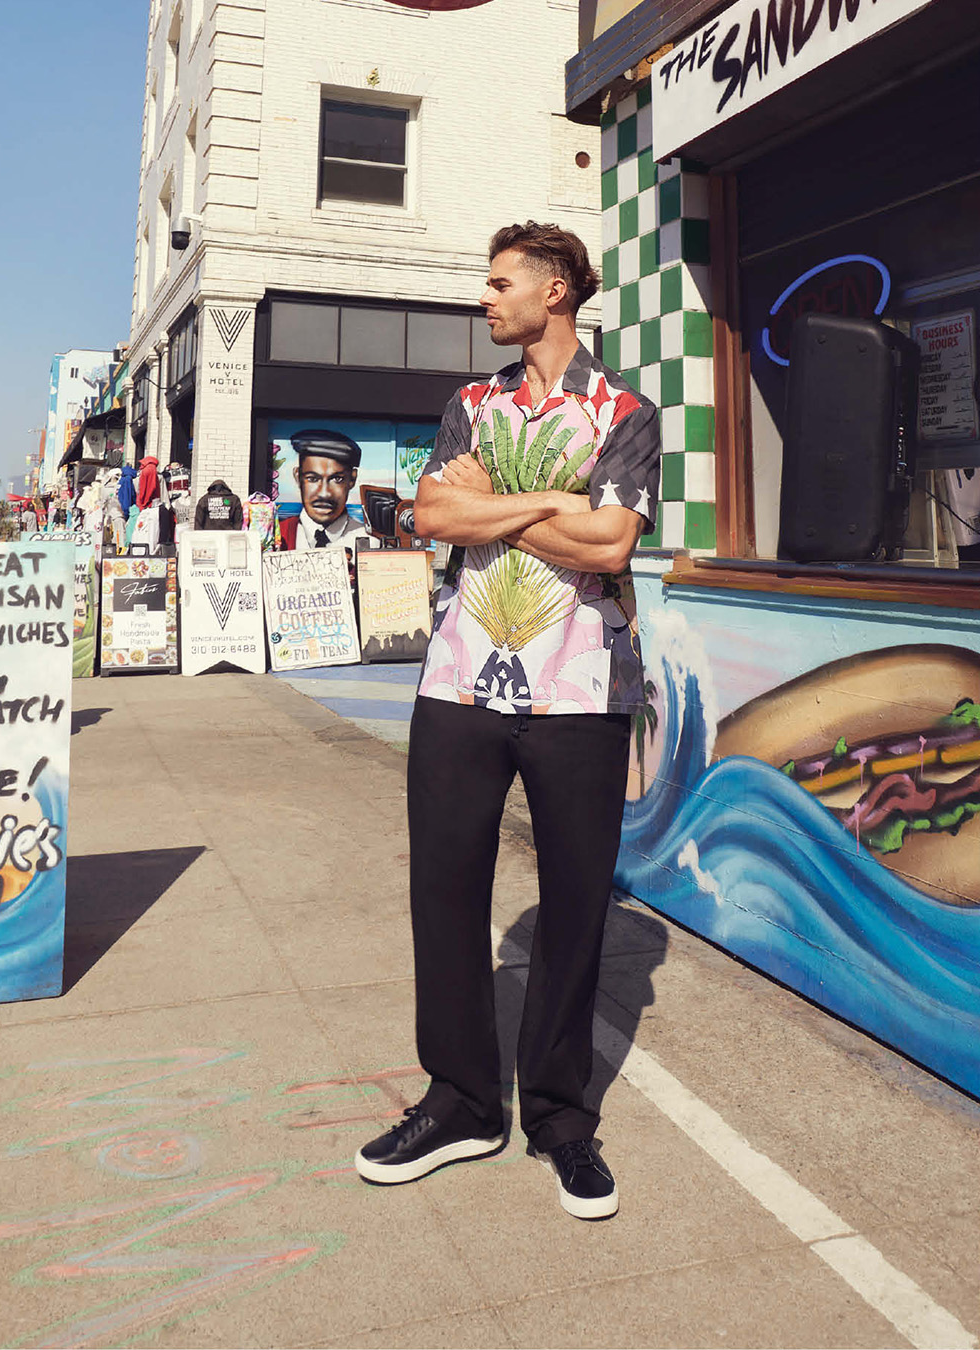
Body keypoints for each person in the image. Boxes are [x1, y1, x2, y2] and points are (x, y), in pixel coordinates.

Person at [354, 222, 661, 1220]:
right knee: (443, 896)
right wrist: (553, 500)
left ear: (557, 291)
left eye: (499, 284)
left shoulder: (626, 409)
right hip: (458, 686)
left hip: (579, 689)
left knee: (576, 906)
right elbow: (434, 518)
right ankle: (461, 1102)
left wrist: (508, 496)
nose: (484, 301)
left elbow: (611, 542)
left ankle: (563, 1119)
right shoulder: (469, 404)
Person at [278, 429, 370, 551]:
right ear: (297, 477)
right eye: (312, 479)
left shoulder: (370, 542)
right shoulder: (277, 536)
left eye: (337, 479)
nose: (324, 493)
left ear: (352, 479)